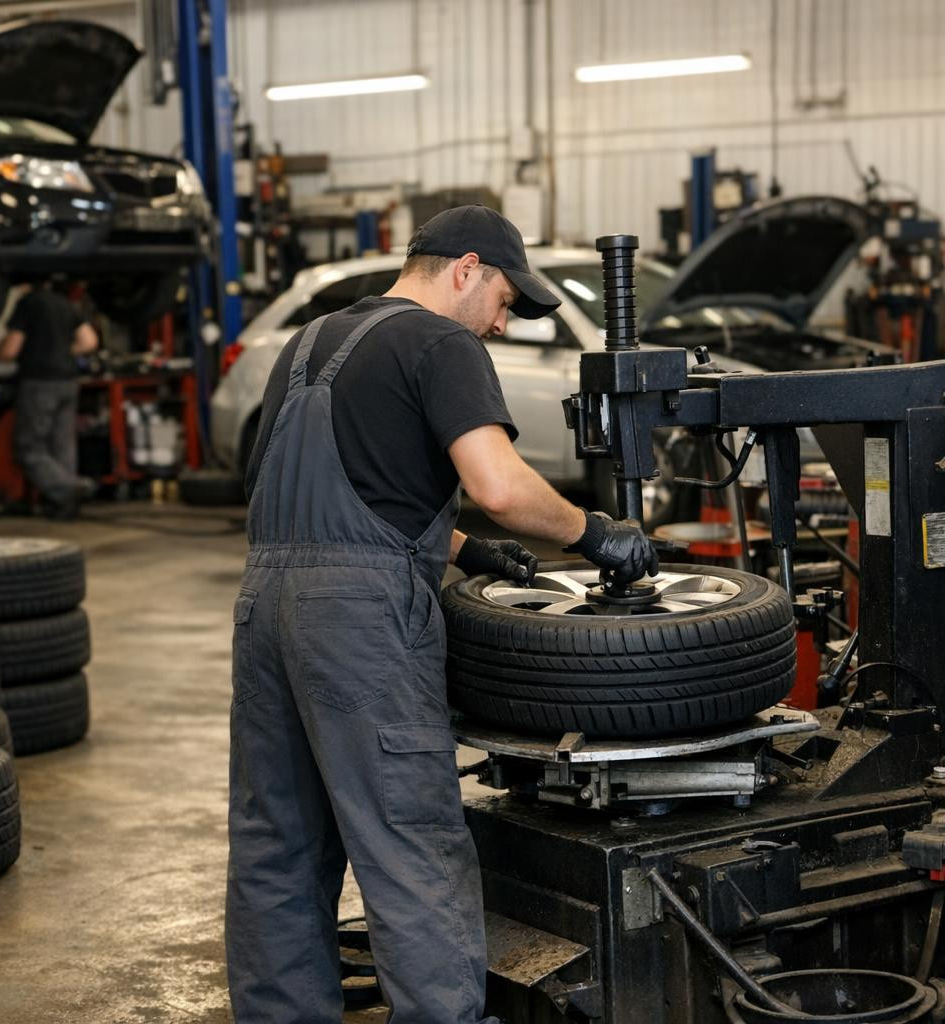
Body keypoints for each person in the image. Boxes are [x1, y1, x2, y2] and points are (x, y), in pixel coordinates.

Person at [226, 205, 657, 1023]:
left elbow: (339, 492)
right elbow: (499, 485)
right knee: (409, 844)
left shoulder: (309, 342)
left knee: (276, 847)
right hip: (360, 624)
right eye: (504, 301)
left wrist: (463, 550)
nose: (500, 324)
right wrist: (593, 532)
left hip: (264, 610)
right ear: (466, 270)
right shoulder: (441, 343)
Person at [0, 279, 99, 518]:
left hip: (39, 381)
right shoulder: (66, 303)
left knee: (28, 448)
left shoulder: (28, 303)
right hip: (68, 381)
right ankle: (66, 505)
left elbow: (10, 350)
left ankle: (70, 488)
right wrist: (63, 353)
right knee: (63, 445)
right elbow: (90, 341)